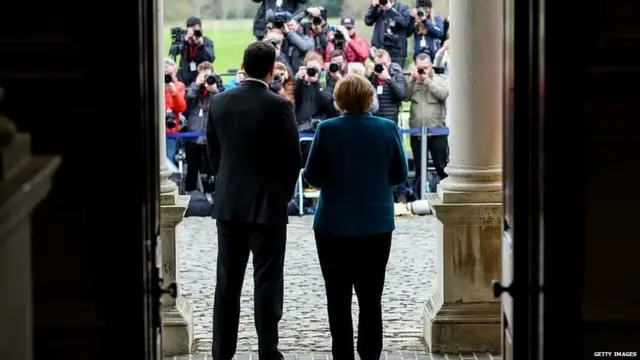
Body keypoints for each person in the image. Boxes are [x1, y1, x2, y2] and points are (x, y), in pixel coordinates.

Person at [206, 41, 302, 360]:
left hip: (230, 205)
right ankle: (267, 350)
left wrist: (227, 184)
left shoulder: (219, 102)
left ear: (243, 67)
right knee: (267, 282)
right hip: (267, 206)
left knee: (227, 283)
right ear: (272, 69)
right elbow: (293, 159)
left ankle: (222, 352)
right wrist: (281, 196)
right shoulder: (280, 106)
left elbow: (214, 153)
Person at [303, 73, 408, 360]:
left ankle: (343, 355)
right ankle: (370, 354)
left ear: (338, 100)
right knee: (371, 297)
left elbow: (312, 176)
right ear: (369, 97)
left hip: (333, 224)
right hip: (375, 224)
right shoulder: (387, 128)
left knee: (337, 298)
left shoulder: (327, 129)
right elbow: (400, 174)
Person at [404, 53, 448, 195]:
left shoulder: (440, 79)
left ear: (431, 66)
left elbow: (443, 94)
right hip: (417, 131)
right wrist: (412, 79)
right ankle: (418, 197)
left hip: (437, 131)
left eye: (426, 67)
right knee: (419, 167)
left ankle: (445, 195)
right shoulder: (413, 80)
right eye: (420, 68)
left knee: (441, 166)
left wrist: (427, 81)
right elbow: (405, 96)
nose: (423, 71)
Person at [183, 61, 224, 193]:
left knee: (211, 167)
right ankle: (190, 192)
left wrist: (213, 89)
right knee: (192, 167)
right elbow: (187, 100)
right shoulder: (193, 87)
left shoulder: (218, 85)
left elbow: (221, 103)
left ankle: (212, 192)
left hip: (210, 134)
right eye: (203, 74)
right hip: (194, 133)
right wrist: (196, 84)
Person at [363, 0, 412, 67]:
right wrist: (373, 6)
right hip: (379, 49)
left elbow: (405, 22)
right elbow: (368, 21)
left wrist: (390, 10)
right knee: (379, 74)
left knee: (395, 73)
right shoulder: (378, 8)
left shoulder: (403, 8)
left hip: (396, 51)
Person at [367, 48, 407, 124]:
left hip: (390, 119)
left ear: (389, 61)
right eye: (378, 64)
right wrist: (367, 76)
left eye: (384, 64)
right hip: (373, 118)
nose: (381, 67)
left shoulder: (397, 75)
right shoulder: (372, 77)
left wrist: (388, 79)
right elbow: (360, 93)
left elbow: (401, 95)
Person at [178, 17, 215, 86]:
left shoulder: (207, 41)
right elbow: (177, 52)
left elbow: (210, 59)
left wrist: (201, 46)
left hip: (202, 79)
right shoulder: (184, 41)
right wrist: (186, 41)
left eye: (196, 29)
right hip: (184, 79)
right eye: (191, 29)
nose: (194, 32)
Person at [164, 58, 187, 164]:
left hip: (170, 130)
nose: (172, 76)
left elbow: (181, 107)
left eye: (174, 73)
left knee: (170, 159)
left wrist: (173, 91)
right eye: (168, 74)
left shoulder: (179, 86)